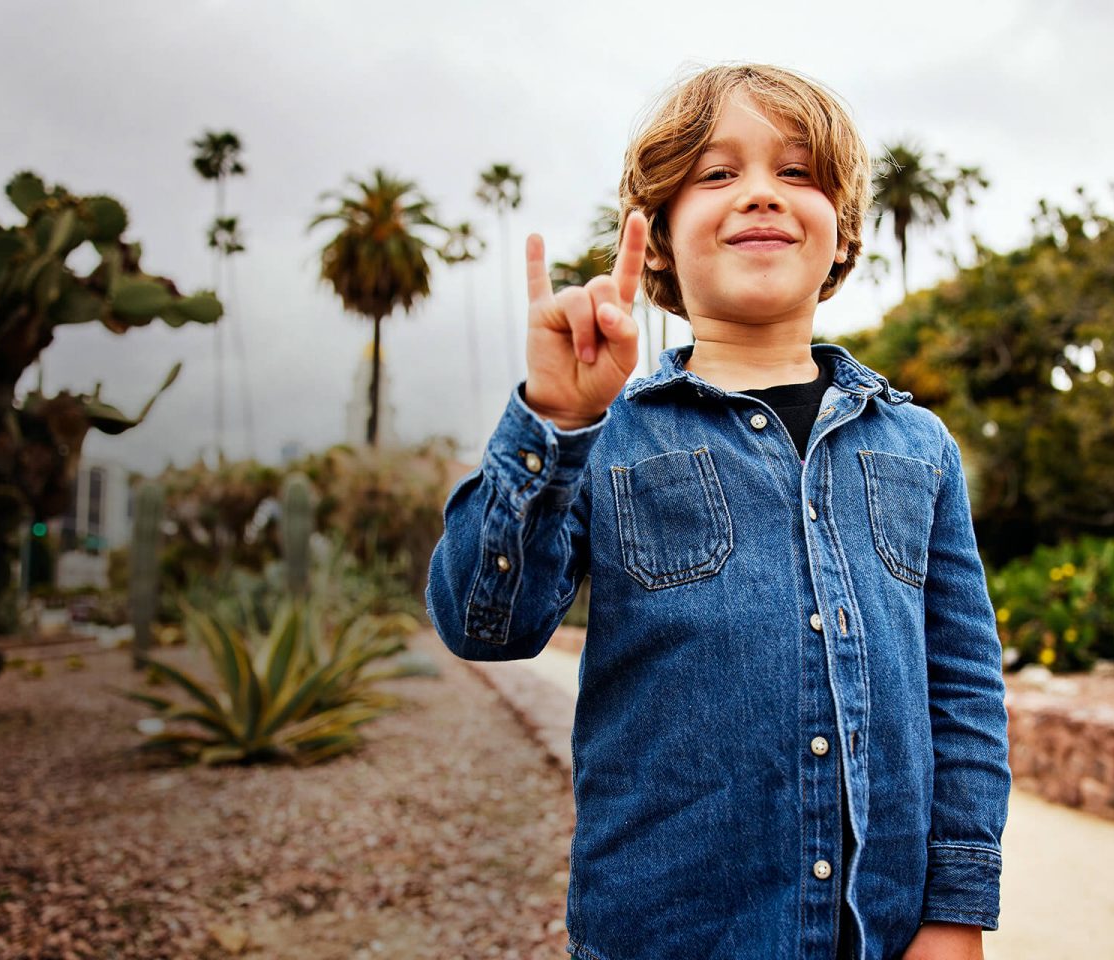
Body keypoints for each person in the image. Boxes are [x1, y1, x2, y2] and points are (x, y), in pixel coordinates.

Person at [425, 62, 1010, 960]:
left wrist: (956, 912)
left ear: (841, 228)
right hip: (664, 936)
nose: (761, 197)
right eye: (718, 174)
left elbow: (964, 690)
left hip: (879, 936)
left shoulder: (918, 444)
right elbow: (484, 626)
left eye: (797, 172)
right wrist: (555, 421)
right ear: (655, 237)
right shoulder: (605, 435)